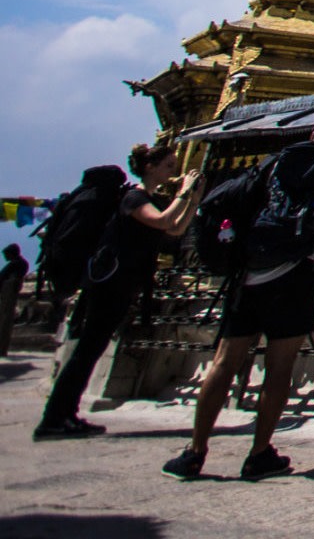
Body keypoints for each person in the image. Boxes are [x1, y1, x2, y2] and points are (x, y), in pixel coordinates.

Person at [164, 114, 314, 482]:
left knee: (224, 362)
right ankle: (259, 453)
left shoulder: (272, 164)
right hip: (296, 273)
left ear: (312, 134)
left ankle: (195, 452)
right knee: (279, 367)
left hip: (250, 272)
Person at [34, 142, 199, 440]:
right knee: (87, 351)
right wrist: (184, 192)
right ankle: (55, 418)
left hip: (124, 283)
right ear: (149, 167)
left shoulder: (144, 198)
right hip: (111, 284)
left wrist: (193, 199)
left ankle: (65, 415)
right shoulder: (133, 197)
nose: (172, 172)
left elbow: (173, 228)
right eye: (168, 167)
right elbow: (161, 220)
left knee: (91, 350)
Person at [0, 242, 28, 356]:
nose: (4, 257)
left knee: (5, 320)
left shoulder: (18, 264)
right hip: (6, 292)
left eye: (6, 254)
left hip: (9, 292)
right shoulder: (16, 263)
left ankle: (1, 348)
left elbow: (12, 280)